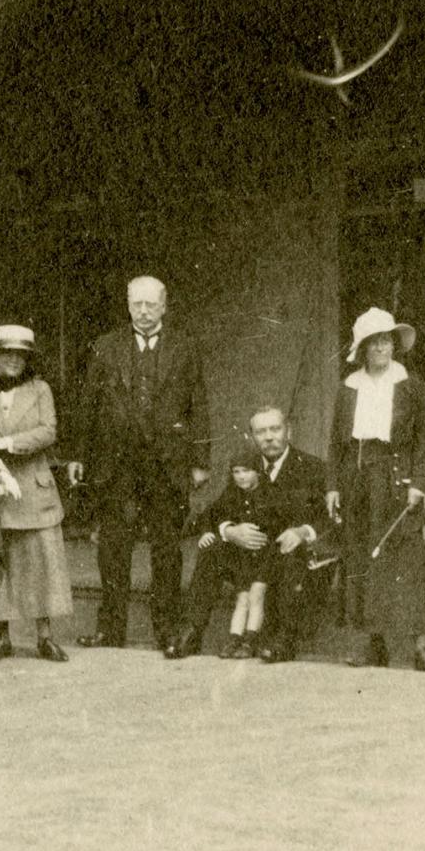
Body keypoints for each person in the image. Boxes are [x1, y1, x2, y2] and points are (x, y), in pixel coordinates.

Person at [68, 276, 211, 649]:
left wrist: (200, 461)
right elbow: (88, 406)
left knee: (166, 547)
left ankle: (166, 629)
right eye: (137, 305)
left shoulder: (185, 348)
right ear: (128, 305)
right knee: (113, 546)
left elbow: (199, 406)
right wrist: (79, 455)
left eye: (151, 305)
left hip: (167, 463)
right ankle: (110, 629)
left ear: (164, 306)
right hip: (116, 463)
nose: (143, 312)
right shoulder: (105, 347)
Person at [323, 306, 425, 672]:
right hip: (356, 481)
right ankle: (372, 644)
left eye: (387, 341)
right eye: (374, 343)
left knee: (405, 563)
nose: (382, 348)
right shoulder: (350, 387)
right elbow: (336, 443)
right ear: (362, 349)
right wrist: (332, 486)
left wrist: (419, 483)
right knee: (361, 559)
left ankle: (420, 647)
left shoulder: (410, 384)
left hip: (396, 479)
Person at [172, 405, 328, 662]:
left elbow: (327, 518)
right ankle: (192, 630)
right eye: (261, 432)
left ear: (289, 431)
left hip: (284, 553)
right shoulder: (245, 468)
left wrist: (302, 531)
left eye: (275, 429)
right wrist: (230, 530)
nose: (269, 437)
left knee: (292, 553)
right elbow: (216, 512)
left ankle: (284, 638)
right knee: (212, 547)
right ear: (252, 437)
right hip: (249, 556)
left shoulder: (312, 467)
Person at [0, 325, 73, 663]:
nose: (13, 360)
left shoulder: (40, 389)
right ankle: (1, 637)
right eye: (7, 353)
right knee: (2, 564)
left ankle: (44, 637)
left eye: (21, 354)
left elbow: (48, 432)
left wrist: (6, 443)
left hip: (33, 485)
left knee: (42, 562)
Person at [189, 447, 288, 659]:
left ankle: (250, 640)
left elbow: (282, 521)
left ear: (259, 471)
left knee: (256, 595)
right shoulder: (231, 493)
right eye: (236, 472)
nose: (241, 476)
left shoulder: (272, 493)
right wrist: (215, 530)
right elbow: (210, 513)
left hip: (266, 557)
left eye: (247, 471)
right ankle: (234, 639)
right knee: (242, 598)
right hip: (243, 560)